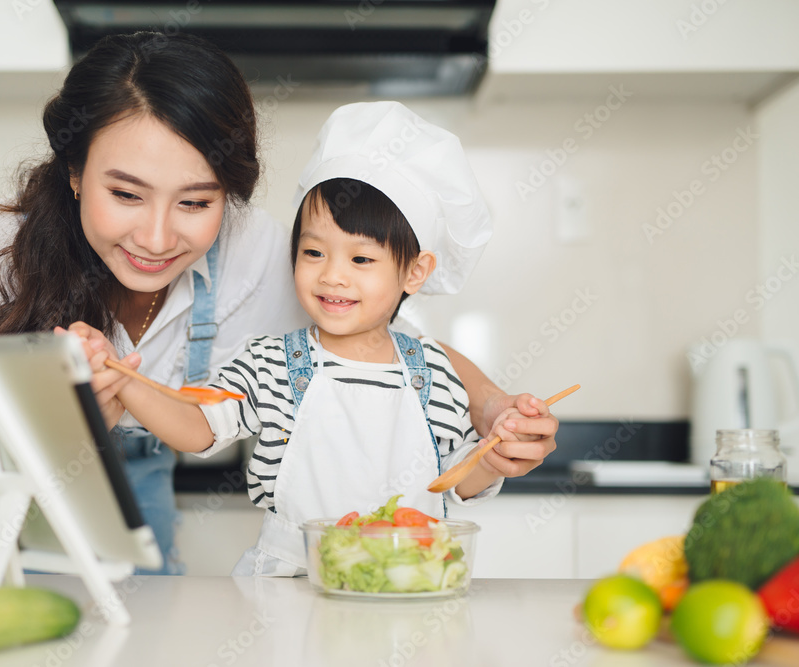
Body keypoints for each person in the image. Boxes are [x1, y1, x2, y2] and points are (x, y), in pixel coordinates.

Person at [70, 101, 560, 576]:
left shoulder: (438, 375)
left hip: (409, 577)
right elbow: (198, 425)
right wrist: (122, 378)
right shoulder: (270, 362)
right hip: (290, 584)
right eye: (313, 252)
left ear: (415, 271)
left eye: (361, 260)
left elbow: (451, 481)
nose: (333, 277)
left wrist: (492, 460)